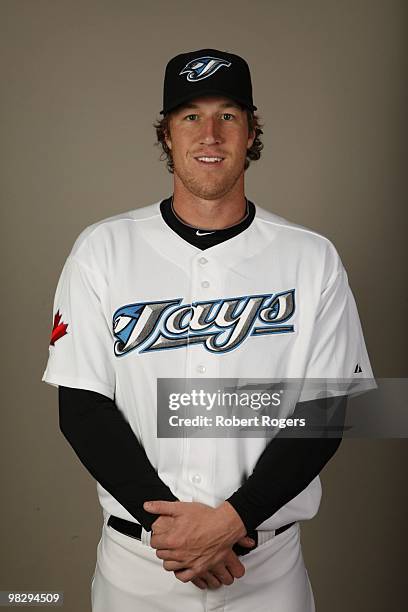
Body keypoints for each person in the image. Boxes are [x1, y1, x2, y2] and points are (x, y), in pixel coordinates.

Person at [42, 49, 376, 611]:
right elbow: (82, 407)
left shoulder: (310, 257)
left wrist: (233, 519)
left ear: (251, 133)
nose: (210, 134)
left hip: (266, 565)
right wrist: (178, 534)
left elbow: (326, 411)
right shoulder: (102, 250)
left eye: (228, 115)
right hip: (141, 567)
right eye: (190, 116)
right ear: (167, 136)